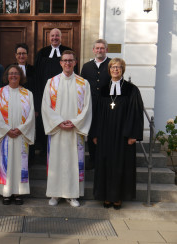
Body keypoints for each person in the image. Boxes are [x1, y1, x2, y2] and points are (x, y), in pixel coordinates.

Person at [91, 58, 144, 210]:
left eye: (118, 67)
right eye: (113, 67)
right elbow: (97, 113)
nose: (115, 69)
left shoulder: (131, 89)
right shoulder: (102, 89)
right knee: (105, 164)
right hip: (105, 135)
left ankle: (118, 197)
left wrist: (133, 135)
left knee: (121, 165)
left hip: (123, 136)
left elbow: (136, 113)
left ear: (123, 70)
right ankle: (106, 196)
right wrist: (95, 134)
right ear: (109, 70)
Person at [41, 50, 92, 207]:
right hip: (57, 130)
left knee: (73, 162)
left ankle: (72, 195)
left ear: (75, 62)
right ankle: (55, 194)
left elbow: (87, 107)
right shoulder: (52, 82)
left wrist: (75, 122)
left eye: (71, 60)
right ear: (60, 63)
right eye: (65, 60)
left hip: (75, 131)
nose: (68, 63)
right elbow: (46, 105)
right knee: (56, 162)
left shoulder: (84, 83)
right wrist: (58, 122)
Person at [0, 65, 35, 205]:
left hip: (21, 136)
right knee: (6, 164)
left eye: (16, 73)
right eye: (11, 73)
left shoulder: (27, 93)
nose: (13, 76)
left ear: (21, 76)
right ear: (7, 76)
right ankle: (6, 193)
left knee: (19, 164)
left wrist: (21, 129)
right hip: (5, 136)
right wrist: (6, 130)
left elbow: (30, 116)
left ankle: (18, 193)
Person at [34, 28, 76, 153]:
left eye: (57, 36)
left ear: (61, 37)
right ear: (49, 37)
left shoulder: (68, 52)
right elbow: (36, 76)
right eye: (52, 36)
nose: (54, 38)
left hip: (65, 96)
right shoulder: (42, 53)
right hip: (45, 95)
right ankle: (43, 149)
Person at [80, 39, 111, 170]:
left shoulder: (112, 64)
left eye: (102, 48)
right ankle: (93, 159)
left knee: (106, 132)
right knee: (92, 132)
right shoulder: (86, 66)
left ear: (106, 50)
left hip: (107, 105)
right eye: (97, 48)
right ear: (93, 50)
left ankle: (105, 159)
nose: (99, 50)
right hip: (90, 104)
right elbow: (81, 86)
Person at [7, 43, 37, 163]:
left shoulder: (33, 70)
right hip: (12, 108)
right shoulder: (9, 69)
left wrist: (37, 109)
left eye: (23, 53)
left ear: (27, 55)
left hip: (29, 107)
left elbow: (37, 89)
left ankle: (28, 162)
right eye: (19, 53)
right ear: (15, 55)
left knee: (28, 131)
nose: (21, 56)